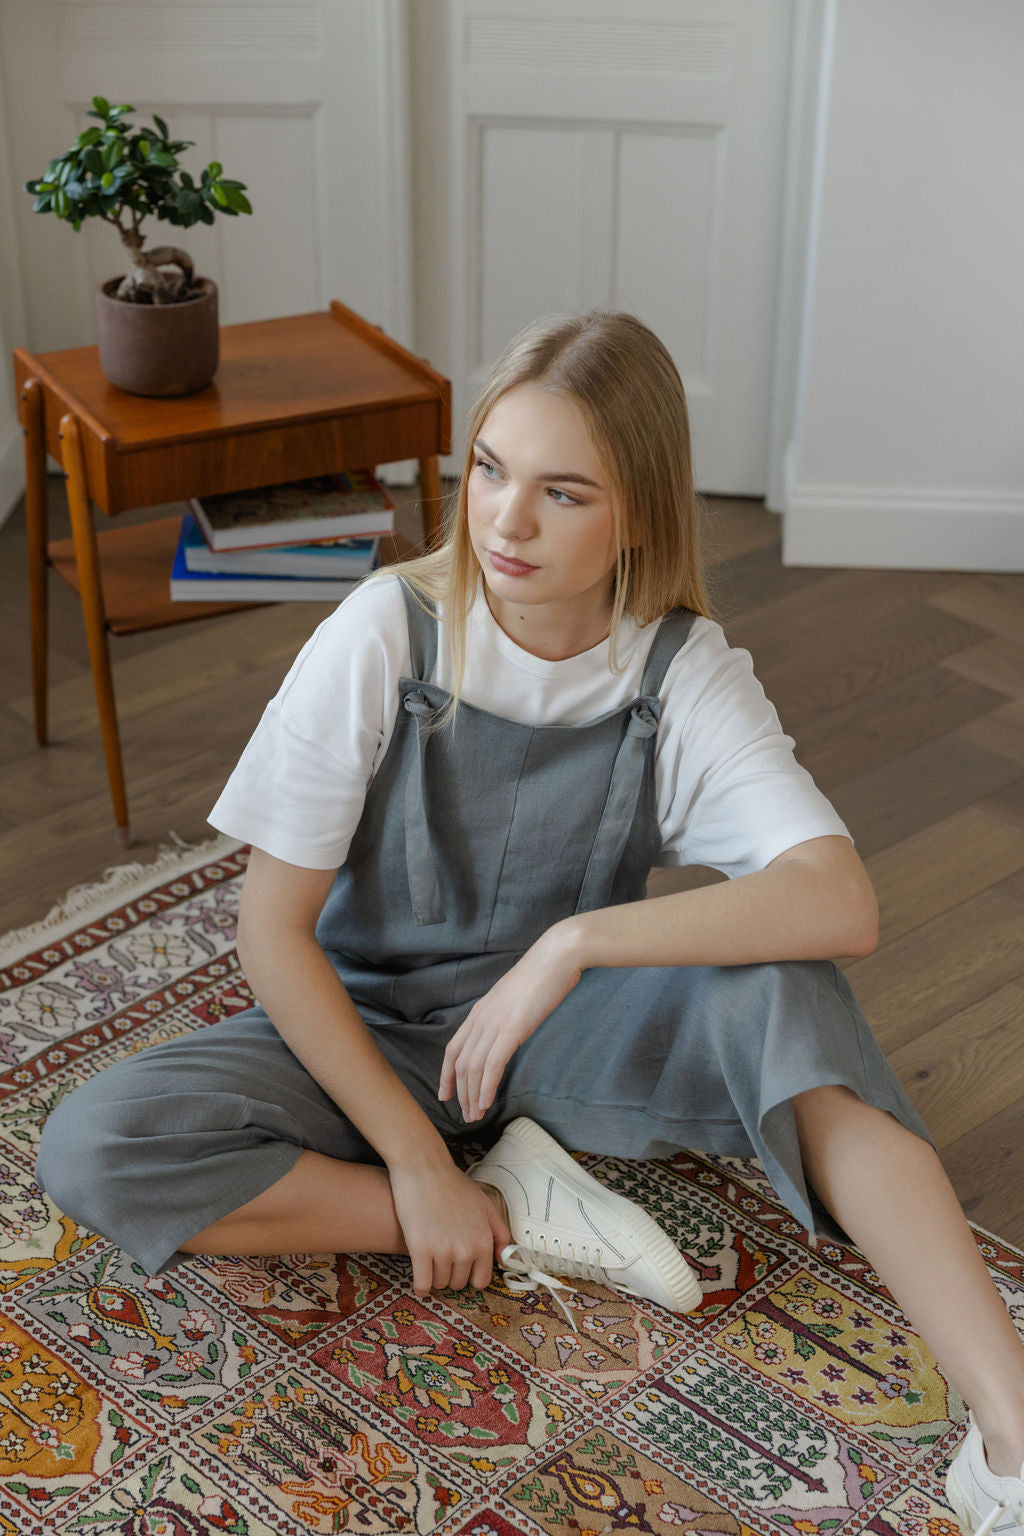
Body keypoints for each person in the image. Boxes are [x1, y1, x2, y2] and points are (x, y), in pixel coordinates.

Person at [37, 312, 1024, 1535]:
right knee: (94, 1147)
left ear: (640, 518)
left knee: (789, 986)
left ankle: (1011, 1435)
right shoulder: (380, 632)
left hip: (554, 1030)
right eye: (491, 470)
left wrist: (572, 946)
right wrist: (412, 1164)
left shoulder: (680, 673)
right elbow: (270, 934)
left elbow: (840, 900)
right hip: (366, 1023)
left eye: (562, 492)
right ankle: (510, 1208)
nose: (503, 520)